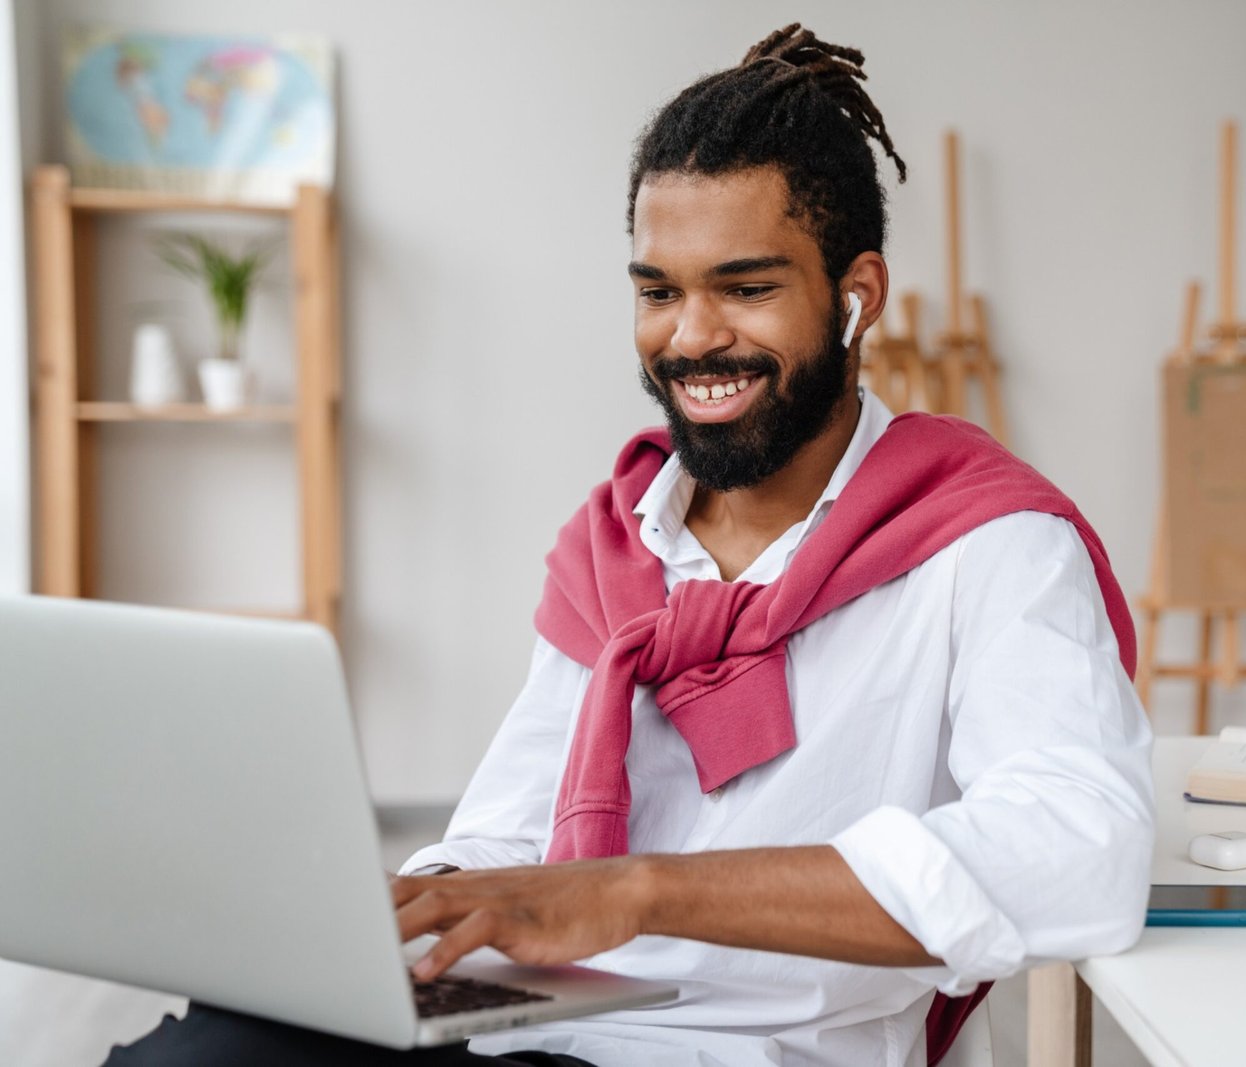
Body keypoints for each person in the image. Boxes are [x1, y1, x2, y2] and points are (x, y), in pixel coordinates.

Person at [107, 23, 1154, 1067]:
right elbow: (513, 835)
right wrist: (402, 909)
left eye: (744, 288)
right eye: (658, 291)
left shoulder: (986, 539)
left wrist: (639, 888)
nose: (690, 336)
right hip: (530, 1028)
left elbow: (1080, 852)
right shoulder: (615, 543)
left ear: (856, 295)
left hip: (746, 1052)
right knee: (198, 1051)